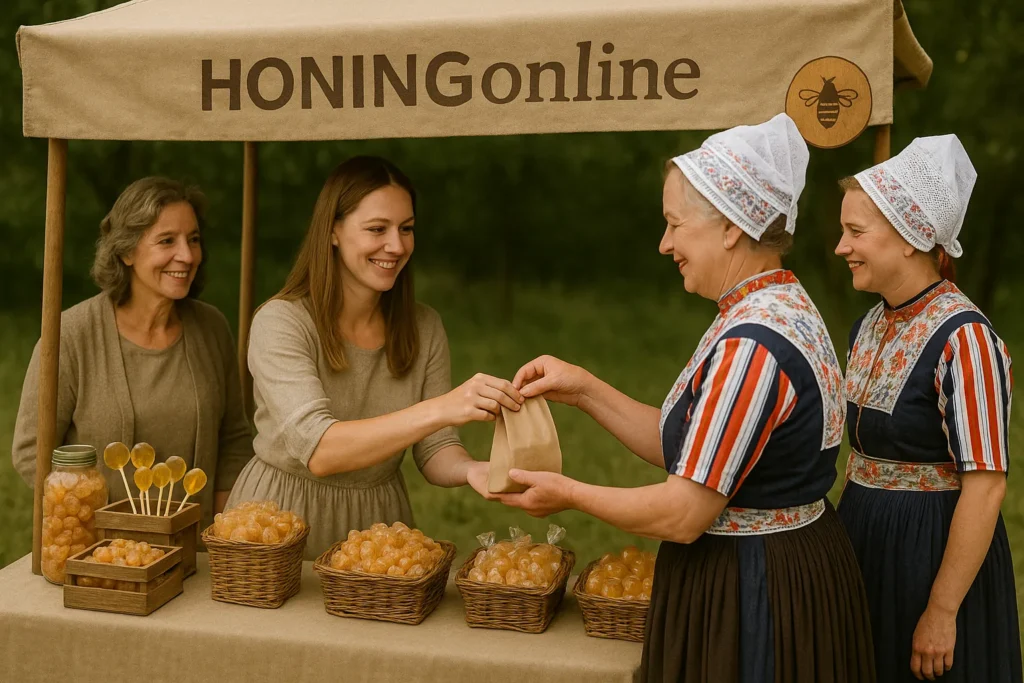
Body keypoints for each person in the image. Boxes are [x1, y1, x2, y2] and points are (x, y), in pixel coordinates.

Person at [499, 114, 874, 682]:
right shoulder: (773, 304)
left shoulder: (753, 345)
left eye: (675, 224)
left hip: (755, 591)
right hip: (783, 568)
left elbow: (683, 513)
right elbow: (701, 451)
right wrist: (583, 388)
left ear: (730, 226)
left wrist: (569, 493)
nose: (665, 243)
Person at [227, 156, 522, 558]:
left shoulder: (424, 327)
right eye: (377, 229)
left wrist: (473, 470)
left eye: (406, 229)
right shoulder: (281, 322)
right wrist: (442, 408)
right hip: (276, 523)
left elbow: (435, 448)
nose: (396, 246)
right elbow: (320, 451)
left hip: (378, 529)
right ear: (333, 231)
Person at [835, 135, 1021, 683]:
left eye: (855, 232)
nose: (841, 247)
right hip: (866, 545)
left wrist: (941, 610)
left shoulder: (966, 340)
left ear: (910, 236)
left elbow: (986, 486)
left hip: (930, 557)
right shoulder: (870, 325)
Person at [13, 177, 254, 531]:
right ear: (126, 252)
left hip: (195, 550)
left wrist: (217, 535)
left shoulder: (212, 328)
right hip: (100, 551)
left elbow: (233, 443)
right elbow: (32, 451)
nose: (187, 256)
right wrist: (95, 530)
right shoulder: (71, 335)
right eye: (167, 241)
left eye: (193, 239)